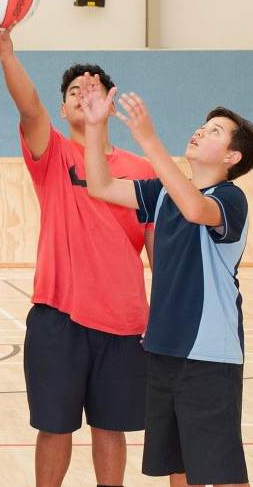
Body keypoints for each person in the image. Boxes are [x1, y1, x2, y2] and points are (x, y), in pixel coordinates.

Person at [0, 14, 156, 487]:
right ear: (62, 107)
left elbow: (158, 251)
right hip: (59, 316)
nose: (82, 93)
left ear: (110, 104)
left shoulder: (141, 168)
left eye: (92, 89)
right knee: (54, 428)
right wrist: (6, 52)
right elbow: (29, 106)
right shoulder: (52, 153)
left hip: (124, 319)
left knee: (110, 428)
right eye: (74, 90)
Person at [80, 74, 253, 487]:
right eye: (202, 124)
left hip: (210, 355)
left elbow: (195, 210)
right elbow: (101, 185)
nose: (200, 130)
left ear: (231, 158)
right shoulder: (161, 193)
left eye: (214, 131)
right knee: (179, 467)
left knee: (221, 469)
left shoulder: (230, 198)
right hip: (162, 349)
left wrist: (147, 139)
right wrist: (94, 126)